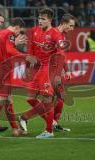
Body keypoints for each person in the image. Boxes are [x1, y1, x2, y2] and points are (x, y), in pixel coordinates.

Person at [17, 8, 67, 138]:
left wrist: (57, 74)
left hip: (48, 69)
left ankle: (49, 131)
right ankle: (48, 122)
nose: (40, 21)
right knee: (30, 98)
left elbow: (61, 55)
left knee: (47, 99)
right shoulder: (34, 31)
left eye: (43, 19)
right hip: (36, 69)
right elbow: (31, 51)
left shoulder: (56, 34)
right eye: (39, 18)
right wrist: (27, 69)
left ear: (50, 20)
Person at [52, 13, 75, 132]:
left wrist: (66, 70)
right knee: (56, 98)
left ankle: (54, 123)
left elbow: (62, 56)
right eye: (71, 25)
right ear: (64, 23)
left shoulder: (63, 35)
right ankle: (25, 117)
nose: (72, 28)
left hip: (56, 70)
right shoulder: (55, 34)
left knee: (56, 98)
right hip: (50, 71)